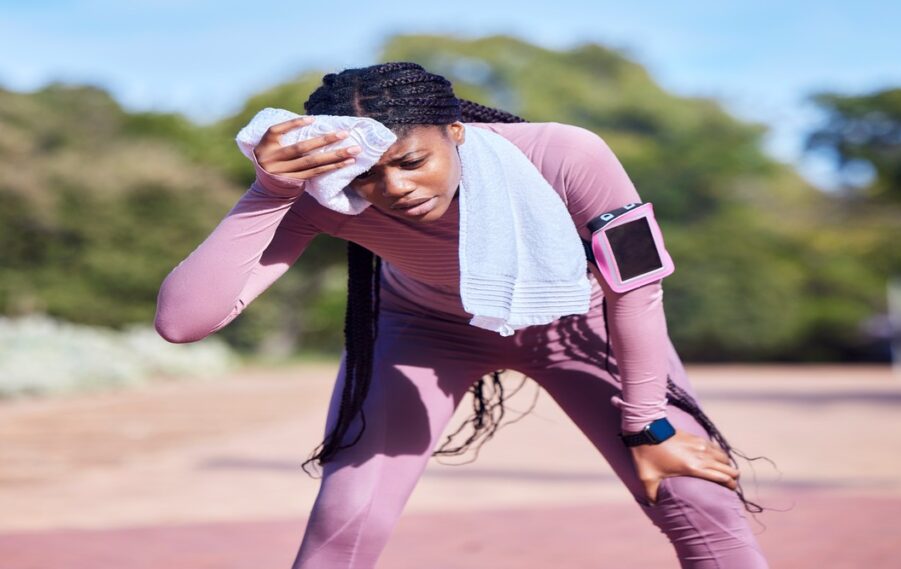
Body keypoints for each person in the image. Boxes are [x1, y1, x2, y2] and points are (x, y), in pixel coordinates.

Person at [154, 61, 771, 568]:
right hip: (423, 331)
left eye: (410, 161)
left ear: (454, 130)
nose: (391, 187)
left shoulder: (566, 155)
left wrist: (647, 427)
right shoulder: (324, 198)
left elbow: (636, 289)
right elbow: (183, 322)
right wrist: (269, 191)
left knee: (697, 496)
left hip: (579, 326)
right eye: (367, 174)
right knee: (344, 520)